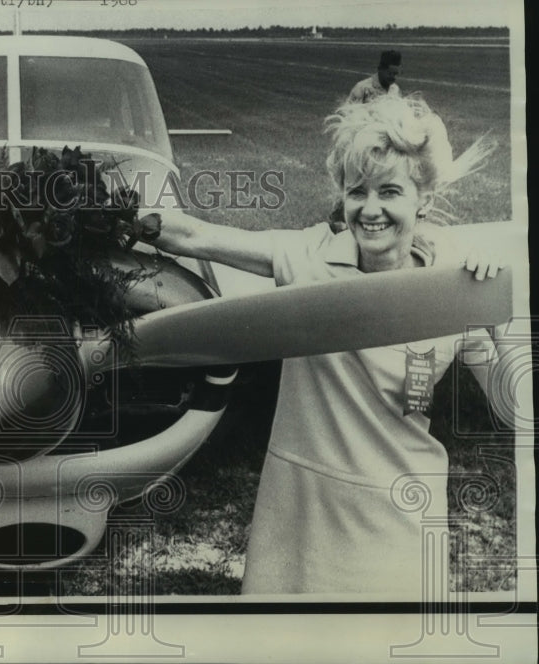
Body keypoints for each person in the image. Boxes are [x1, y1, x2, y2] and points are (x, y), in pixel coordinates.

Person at [150, 95, 503, 594]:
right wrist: (108, 215)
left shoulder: (454, 286)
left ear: (422, 197)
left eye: (390, 191)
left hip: (400, 512)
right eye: (357, 191)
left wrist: (496, 311)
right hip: (300, 507)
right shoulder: (310, 257)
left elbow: (515, 407)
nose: (371, 209)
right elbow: (195, 236)